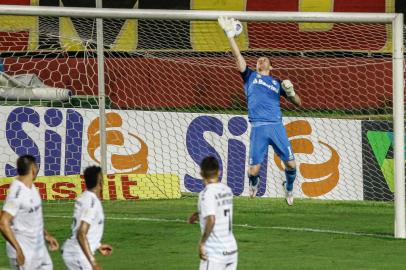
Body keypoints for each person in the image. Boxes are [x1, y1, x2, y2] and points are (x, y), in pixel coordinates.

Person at [218, 16, 302, 205]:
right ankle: (254, 185)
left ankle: (288, 187)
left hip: (276, 126)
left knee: (290, 164)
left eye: (264, 60)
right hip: (258, 128)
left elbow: (298, 102)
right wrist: (230, 36)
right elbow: (238, 57)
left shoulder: (277, 83)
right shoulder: (250, 77)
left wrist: (291, 92)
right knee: (252, 171)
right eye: (259, 60)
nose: (261, 60)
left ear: (271, 66)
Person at [0, 155, 59, 269]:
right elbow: (3, 223)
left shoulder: (32, 188)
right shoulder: (17, 192)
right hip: (24, 251)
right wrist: (18, 249)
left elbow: (34, 217)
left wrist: (46, 236)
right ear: (33, 168)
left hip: (38, 248)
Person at [188, 156, 238, 270]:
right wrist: (198, 214)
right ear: (219, 172)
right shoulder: (227, 190)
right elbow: (218, 208)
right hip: (231, 250)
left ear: (201, 174)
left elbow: (211, 219)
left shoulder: (206, 194)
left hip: (215, 253)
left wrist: (202, 243)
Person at [62, 166, 112, 270]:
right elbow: (81, 233)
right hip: (78, 254)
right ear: (100, 180)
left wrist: (97, 245)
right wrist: (93, 263)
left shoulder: (85, 197)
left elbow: (82, 229)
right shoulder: (92, 202)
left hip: (75, 252)